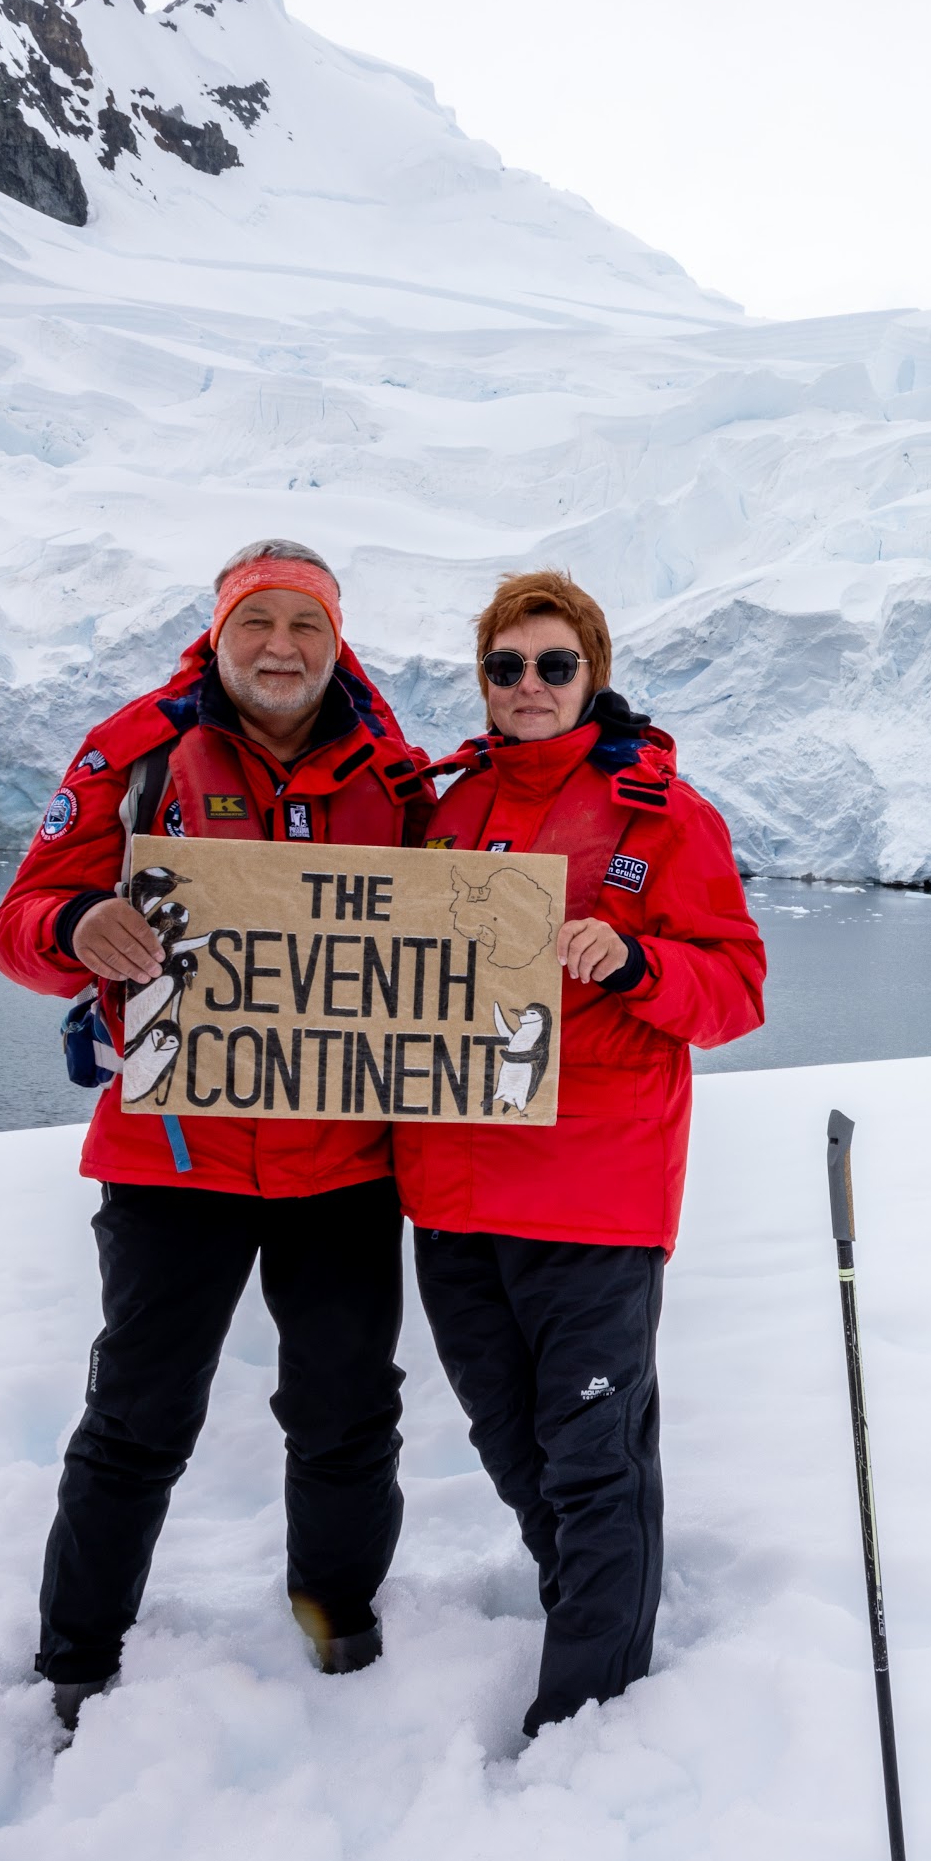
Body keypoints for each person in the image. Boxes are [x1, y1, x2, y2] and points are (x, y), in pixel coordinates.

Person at [0, 540, 437, 1732]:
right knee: (138, 1416)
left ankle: (337, 1616)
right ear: (219, 629)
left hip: (341, 1161)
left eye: (304, 624)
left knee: (346, 1409)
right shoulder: (136, 751)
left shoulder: (392, 772)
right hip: (171, 1157)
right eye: (258, 623)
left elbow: (453, 944)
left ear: (336, 638)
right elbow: (20, 921)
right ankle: (77, 1654)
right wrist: (78, 922)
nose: (280, 646)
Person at [396, 569, 765, 1738]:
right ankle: (595, 1622)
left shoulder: (663, 816)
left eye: (555, 664)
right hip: (455, 1194)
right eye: (508, 667)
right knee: (514, 1448)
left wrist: (640, 963)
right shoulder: (440, 812)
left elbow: (737, 991)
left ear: (592, 672)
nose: (531, 687)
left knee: (593, 1459)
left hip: (596, 1197)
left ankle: (589, 1718)